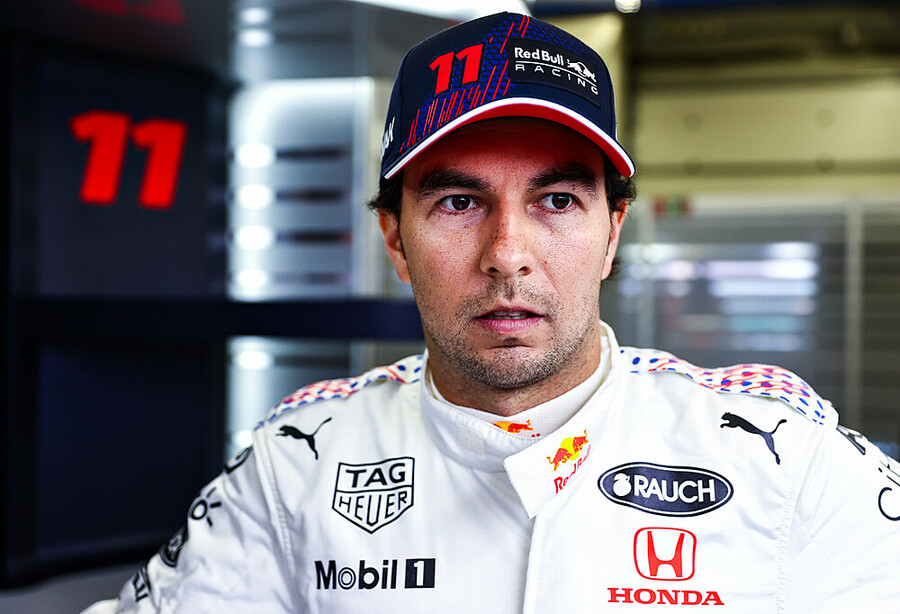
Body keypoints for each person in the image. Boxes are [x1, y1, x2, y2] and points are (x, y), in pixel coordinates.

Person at [84, 12, 900, 613]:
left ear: (612, 233)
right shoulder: (298, 461)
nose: (507, 253)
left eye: (556, 200)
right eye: (458, 202)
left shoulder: (784, 459)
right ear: (395, 240)